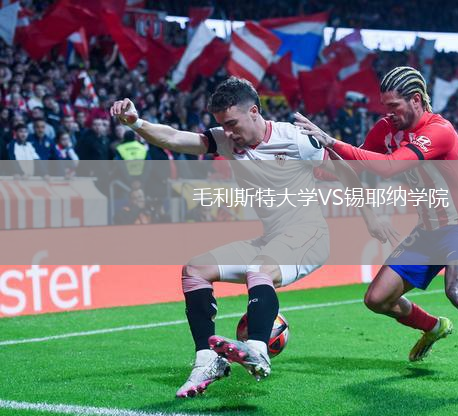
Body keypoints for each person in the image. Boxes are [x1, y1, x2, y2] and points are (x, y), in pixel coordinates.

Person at [110, 77, 390, 398]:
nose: (227, 133)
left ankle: (257, 349)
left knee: (259, 268)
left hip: (309, 236)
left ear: (254, 112)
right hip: (270, 240)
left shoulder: (295, 139)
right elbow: (174, 137)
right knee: (195, 269)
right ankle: (207, 360)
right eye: (222, 125)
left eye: (232, 124)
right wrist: (137, 123)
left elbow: (344, 170)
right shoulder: (226, 140)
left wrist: (371, 214)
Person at [295, 66, 458, 393]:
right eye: (385, 107)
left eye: (394, 106)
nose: (388, 114)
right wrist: (307, 168)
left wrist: (331, 140)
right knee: (377, 299)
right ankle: (434, 326)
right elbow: (357, 167)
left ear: (415, 100)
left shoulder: (439, 131)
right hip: (427, 231)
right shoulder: (387, 128)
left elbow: (390, 166)